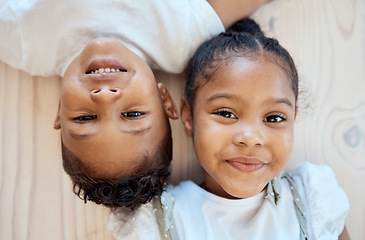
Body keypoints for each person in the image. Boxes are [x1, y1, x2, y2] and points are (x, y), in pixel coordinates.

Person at [0, 0, 273, 209]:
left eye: (85, 118)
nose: (104, 97)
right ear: (165, 99)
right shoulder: (182, 41)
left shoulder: (23, 42)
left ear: (60, 110)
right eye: (132, 114)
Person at [109, 18, 350, 239]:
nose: (251, 138)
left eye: (274, 118)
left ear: (293, 118)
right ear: (188, 115)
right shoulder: (154, 220)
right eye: (226, 113)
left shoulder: (314, 201)